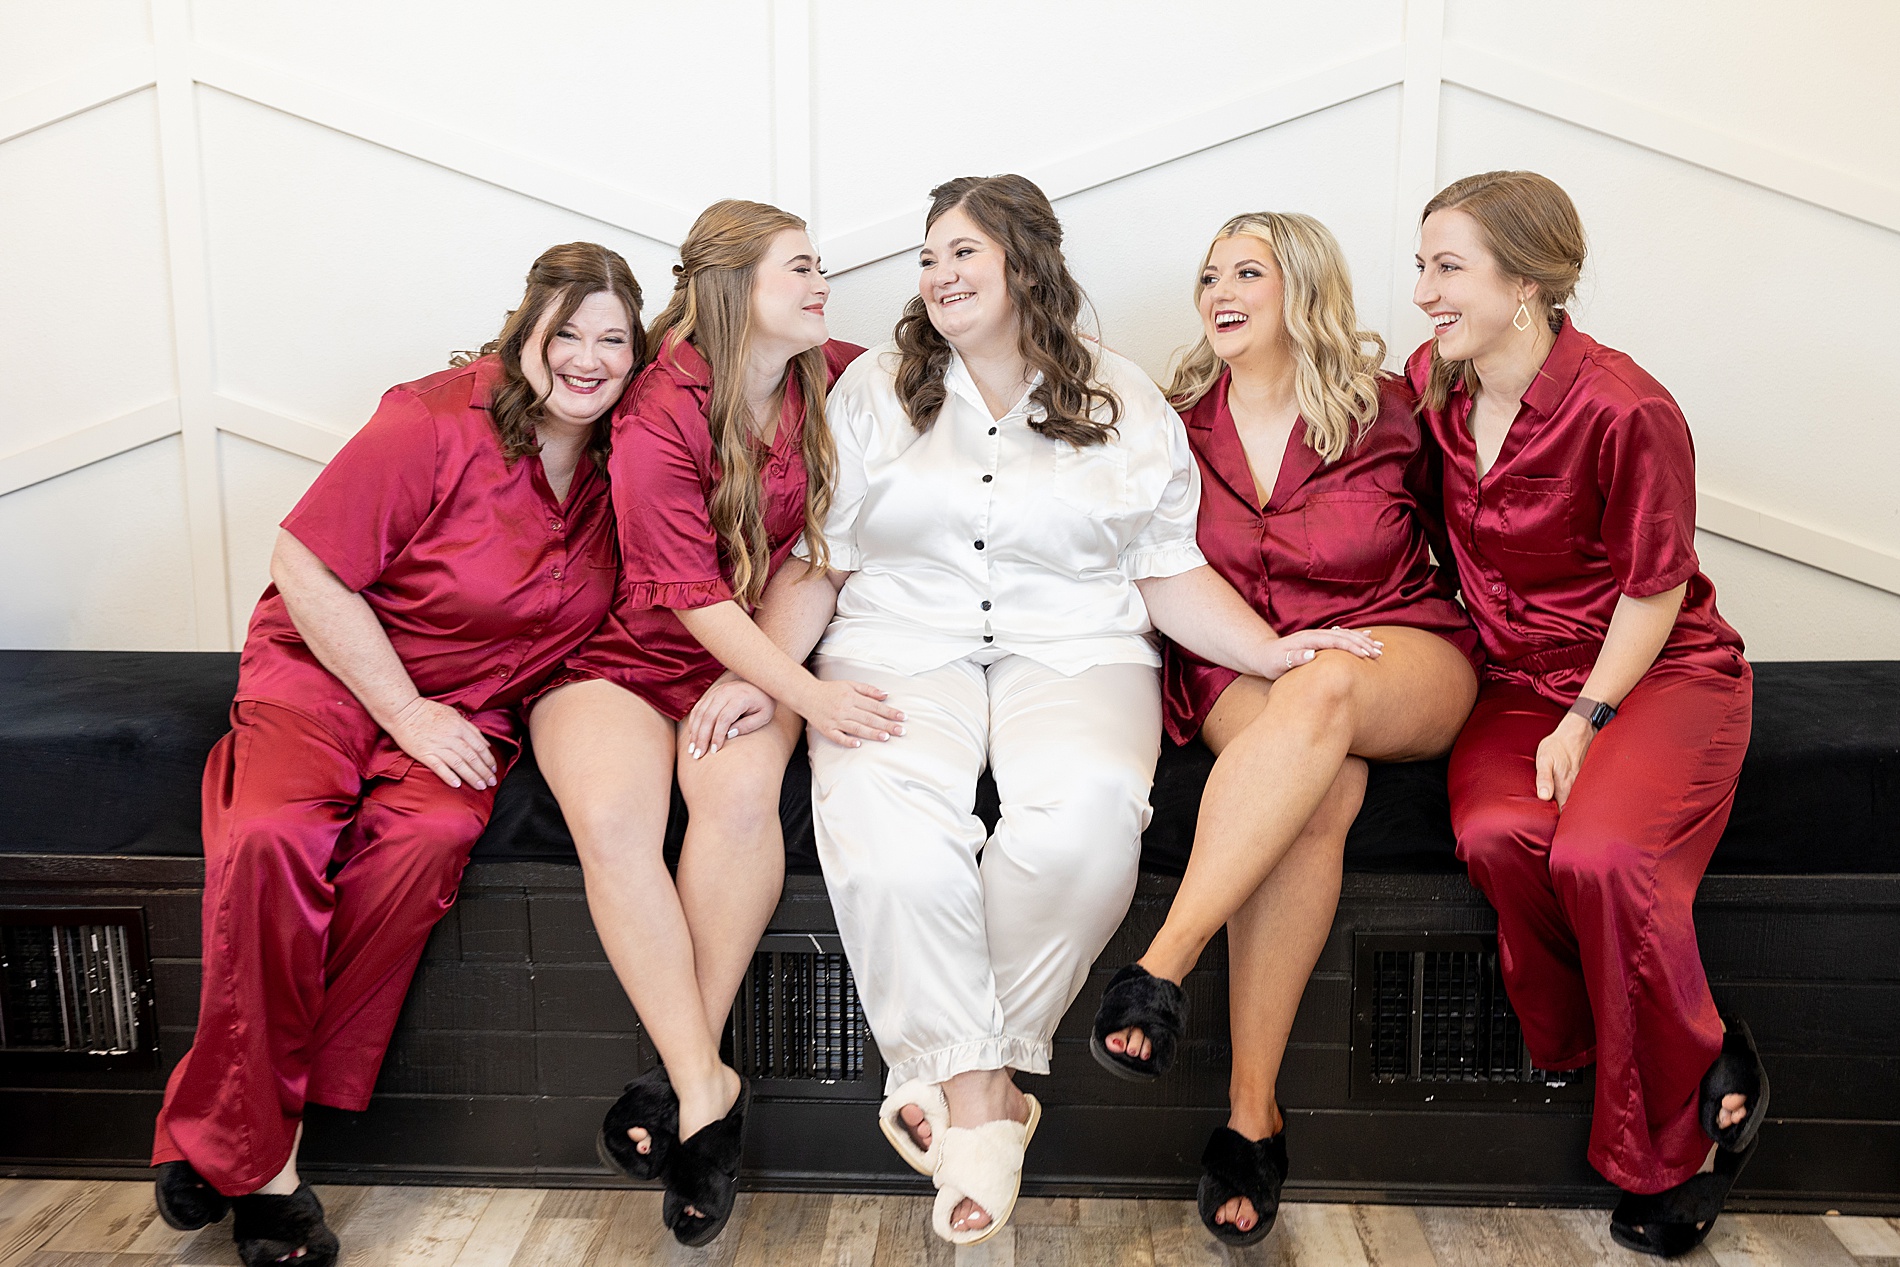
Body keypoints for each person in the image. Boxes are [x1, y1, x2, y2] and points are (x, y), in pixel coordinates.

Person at [745, 175, 1379, 1246]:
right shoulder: (871, 395)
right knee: (893, 839)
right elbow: (821, 559)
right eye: (928, 258)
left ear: (1024, 264)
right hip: (899, 644)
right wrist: (755, 670)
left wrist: (1269, 650)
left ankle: (946, 1075)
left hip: (1078, 652)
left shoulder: (1123, 397)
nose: (939, 276)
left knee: (1086, 824)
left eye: (963, 255)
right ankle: (984, 1104)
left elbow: (1164, 572)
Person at [150, 243, 642, 1266]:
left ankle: (226, 1125)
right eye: (568, 334)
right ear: (525, 333)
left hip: (467, 709)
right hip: (329, 675)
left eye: (614, 340)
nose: (588, 359)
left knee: (427, 838)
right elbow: (305, 563)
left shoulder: (625, 465)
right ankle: (268, 1170)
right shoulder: (430, 419)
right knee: (274, 838)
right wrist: (406, 710)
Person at [1086, 212, 1483, 1247]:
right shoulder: (1168, 421)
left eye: (1247, 271)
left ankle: (1161, 967)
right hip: (1238, 663)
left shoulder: (1394, 411)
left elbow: (1480, 541)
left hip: (1397, 646)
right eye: (1208, 273)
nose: (1220, 289)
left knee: (1327, 693)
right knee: (1324, 794)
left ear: (1299, 285)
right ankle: (1249, 1115)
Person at [1409, 170, 1764, 1257]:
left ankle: (1675, 1145)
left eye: (1447, 267)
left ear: (1524, 281)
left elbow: (1654, 588)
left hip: (1658, 673)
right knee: (1498, 833)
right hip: (1518, 678)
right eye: (1421, 264)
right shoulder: (1438, 383)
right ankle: (1655, 1046)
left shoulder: (1627, 407)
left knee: (1604, 857)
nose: (1423, 291)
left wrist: (1587, 717)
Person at [526, 200, 886, 1247]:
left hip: (753, 657)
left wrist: (771, 679)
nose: (824, 286)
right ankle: (703, 1084)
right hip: (628, 657)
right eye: (803, 269)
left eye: (821, 269)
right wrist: (807, 693)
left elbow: (829, 548)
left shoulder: (836, 376)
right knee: (611, 820)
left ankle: (685, 1082)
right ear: (733, 291)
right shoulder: (655, 411)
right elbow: (685, 593)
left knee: (733, 800)